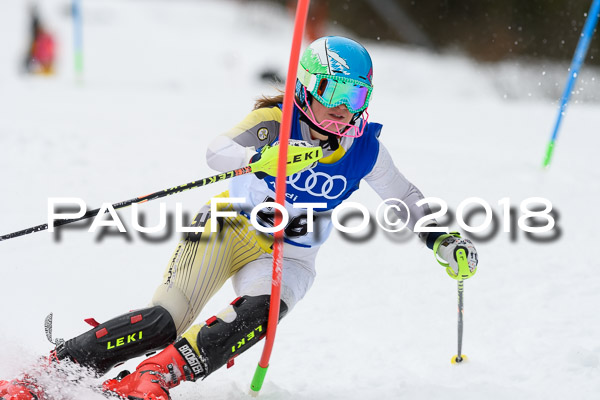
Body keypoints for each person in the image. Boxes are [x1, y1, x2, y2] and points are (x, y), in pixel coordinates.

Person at [0, 36, 478, 400]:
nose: (341, 110)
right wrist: (264, 157)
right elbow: (216, 153)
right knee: (166, 320)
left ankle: (152, 379)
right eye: (334, 92)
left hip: (292, 251)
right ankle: (42, 377)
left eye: (355, 97)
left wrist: (442, 238)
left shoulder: (365, 150)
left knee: (262, 312)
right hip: (228, 227)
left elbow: (405, 196)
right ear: (308, 86)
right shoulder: (276, 121)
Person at [23, 5, 56, 75]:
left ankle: (35, 14)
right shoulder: (40, 38)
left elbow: (50, 50)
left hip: (39, 55)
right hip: (37, 54)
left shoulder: (45, 38)